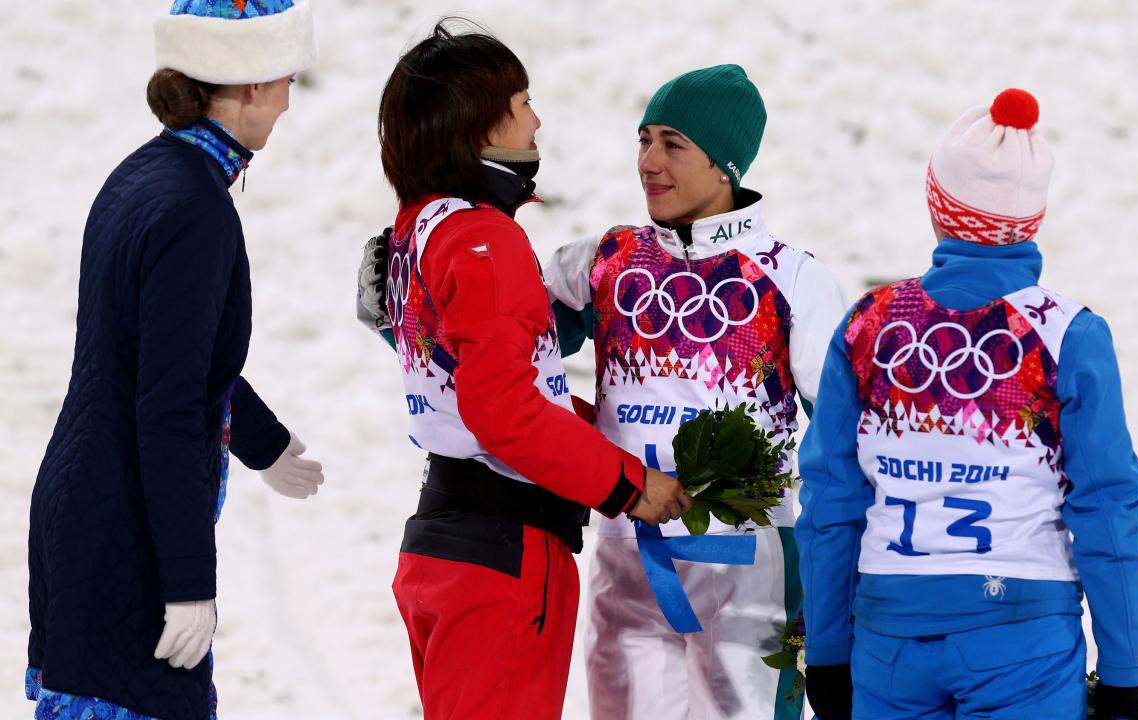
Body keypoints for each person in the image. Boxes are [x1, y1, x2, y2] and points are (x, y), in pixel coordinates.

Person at [795, 89, 1138, 720]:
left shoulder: (869, 324)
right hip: (1022, 633)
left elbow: (831, 501)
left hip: (888, 633)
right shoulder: (1068, 334)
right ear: (1032, 219)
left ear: (937, 205)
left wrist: (826, 650)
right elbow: (1106, 505)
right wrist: (1124, 672)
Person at [368, 21, 689, 720]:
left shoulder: (420, 227)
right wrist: (628, 485)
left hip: (447, 549)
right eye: (522, 102)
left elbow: (479, 384)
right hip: (502, 558)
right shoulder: (484, 238)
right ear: (480, 125)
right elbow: (503, 410)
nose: (536, 120)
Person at [25, 2, 323, 719]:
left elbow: (162, 354)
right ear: (252, 82)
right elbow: (170, 404)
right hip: (125, 539)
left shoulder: (145, 175)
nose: (289, 100)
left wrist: (265, 442)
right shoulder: (195, 209)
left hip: (89, 512)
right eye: (286, 79)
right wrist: (187, 583)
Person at [540, 64, 848, 720]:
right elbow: (495, 352)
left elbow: (844, 445)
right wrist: (406, 311)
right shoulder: (606, 260)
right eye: (644, 139)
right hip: (628, 559)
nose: (648, 162)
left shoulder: (792, 277)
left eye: (673, 144)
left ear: (724, 166)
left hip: (750, 570)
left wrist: (838, 587)